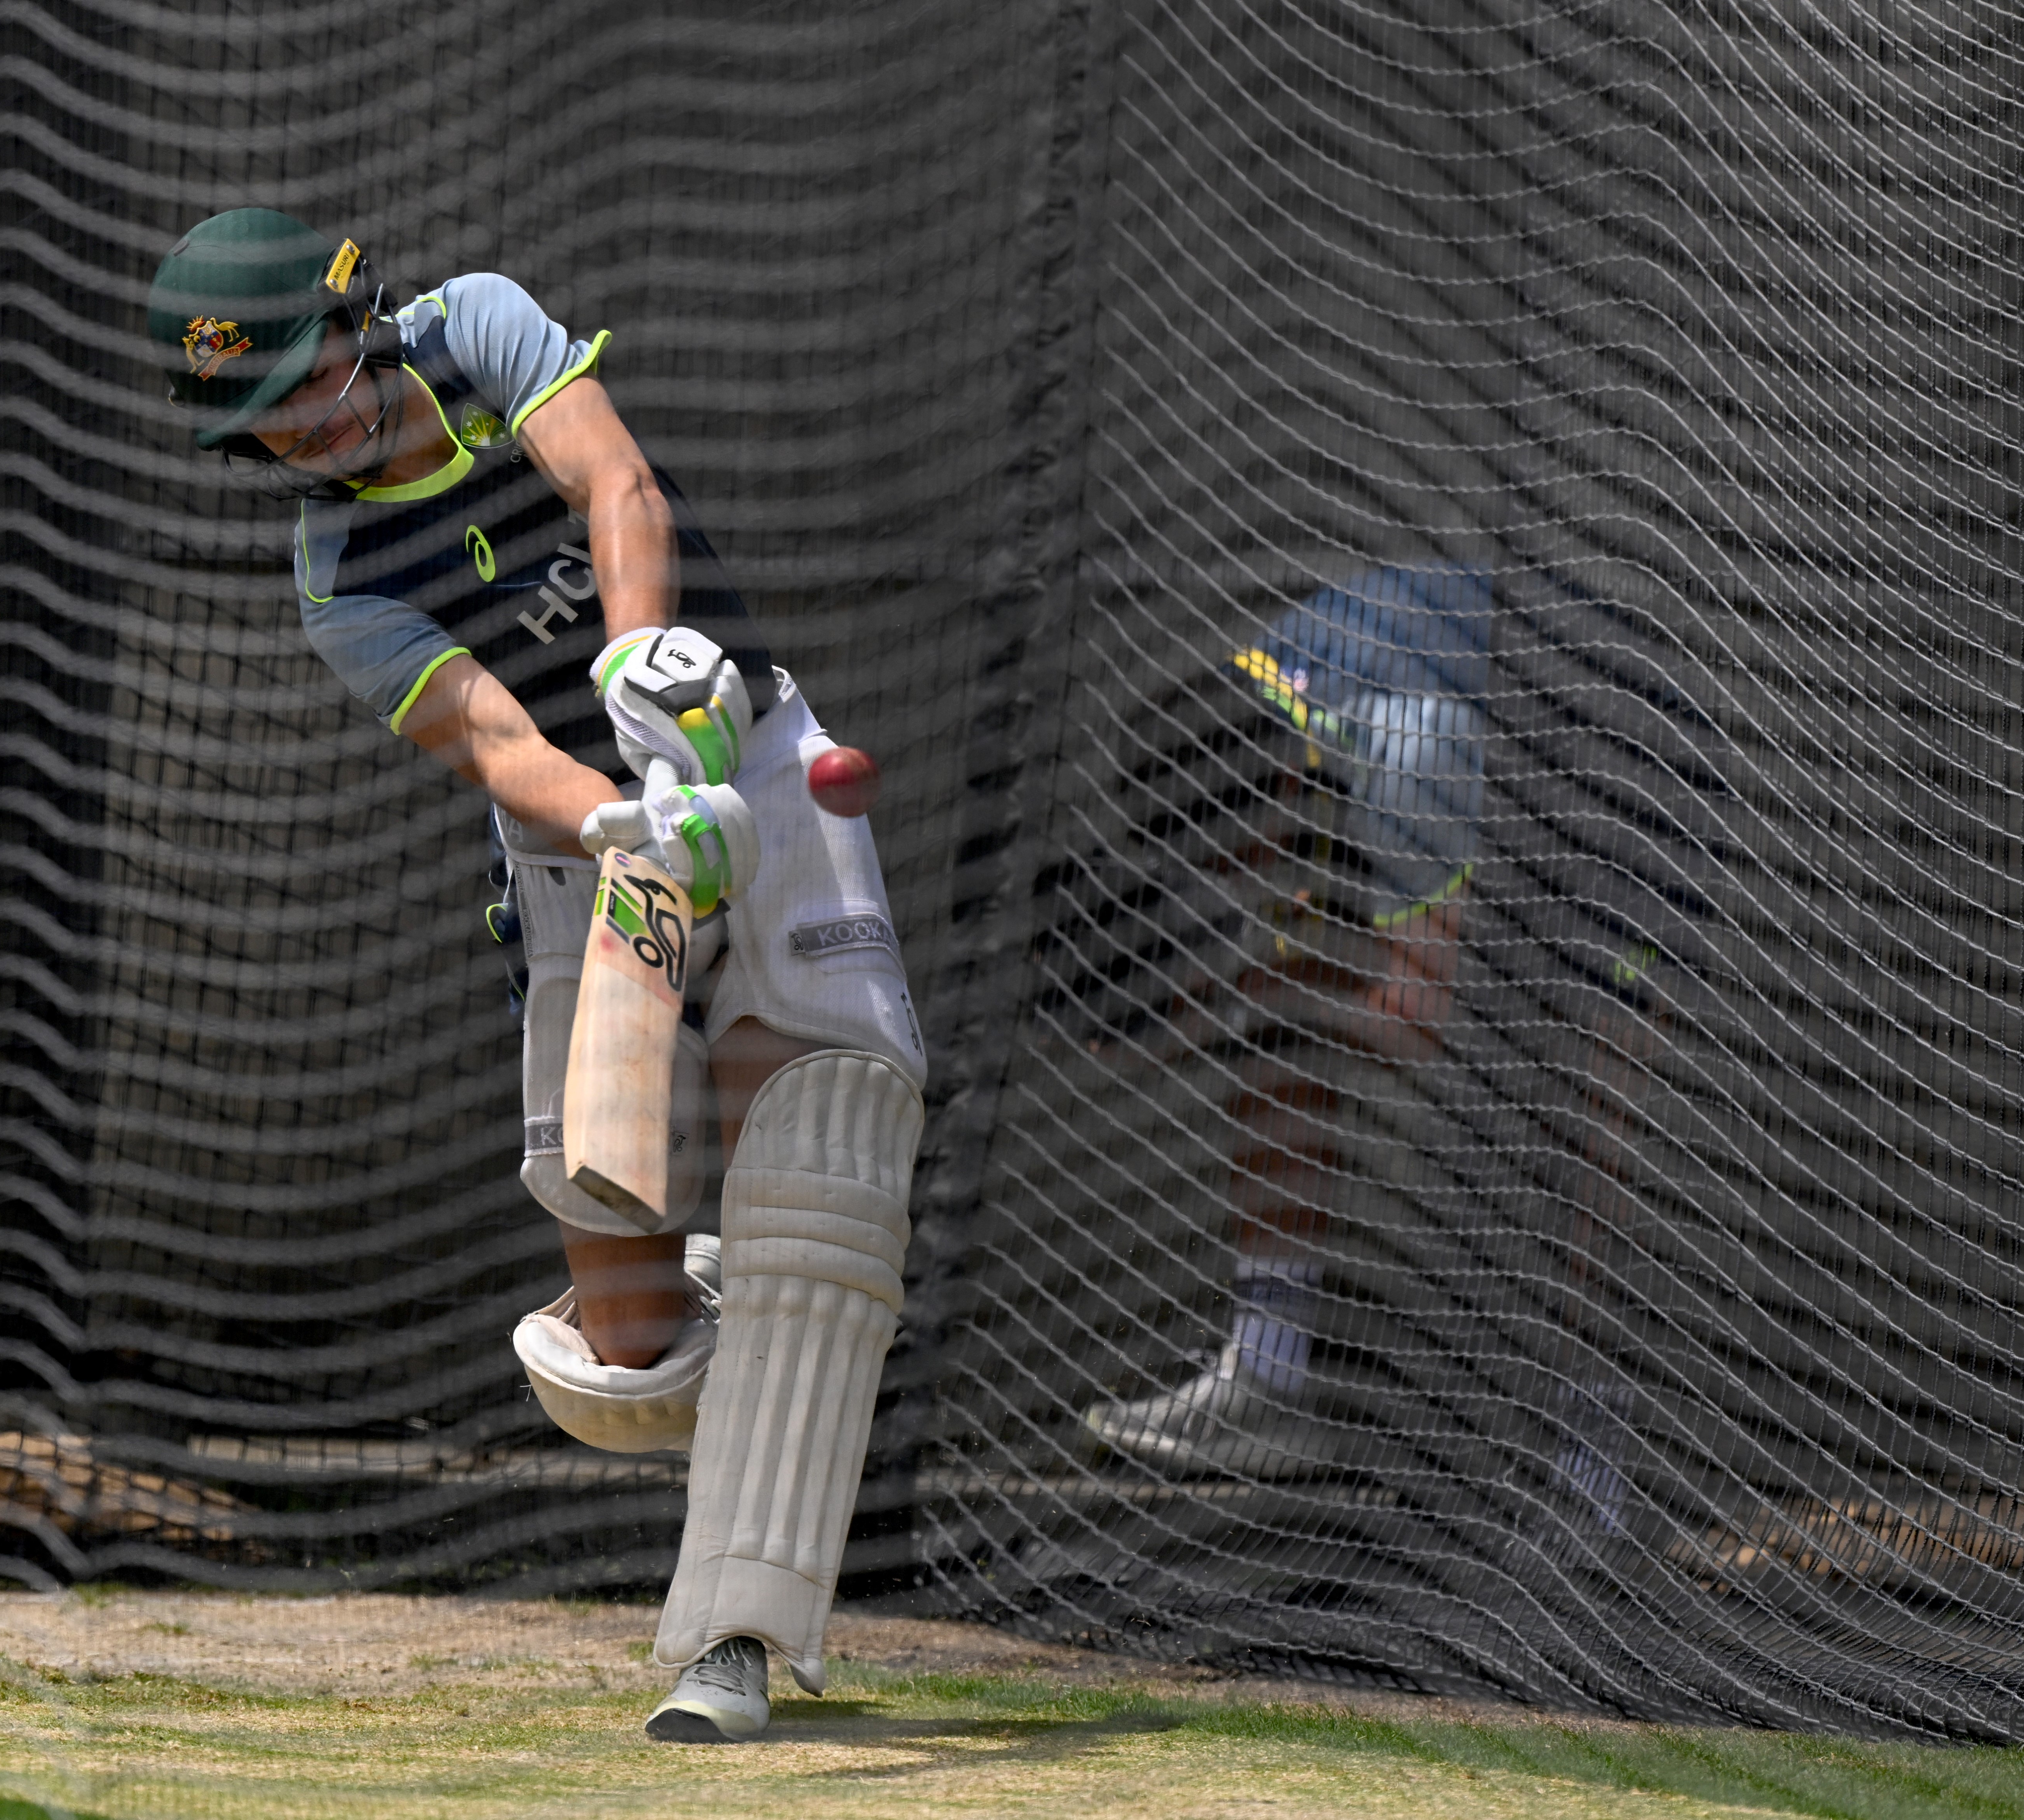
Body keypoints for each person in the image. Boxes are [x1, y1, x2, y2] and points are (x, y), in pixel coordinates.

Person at [146, 209, 927, 1742]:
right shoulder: (340, 581)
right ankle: (758, 1293)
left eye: (315, 377)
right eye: (272, 421)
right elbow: (495, 738)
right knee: (623, 1359)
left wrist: (645, 682)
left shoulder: (475, 329)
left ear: (356, 315)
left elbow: (615, 482)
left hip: (752, 753)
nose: (312, 427)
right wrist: (626, 818)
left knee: (825, 1160)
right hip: (587, 851)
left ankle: (733, 1640)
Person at [1084, 568, 1490, 1477]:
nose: (1234, 883)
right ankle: (1264, 1377)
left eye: (1234, 859)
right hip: (1437, 754)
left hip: (1619, 782)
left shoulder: (1407, 752)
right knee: (1284, 996)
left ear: (1273, 786)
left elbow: (1414, 1022)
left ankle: (1589, 1452)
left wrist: (1223, 1006)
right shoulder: (1255, 686)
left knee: (1594, 1079)